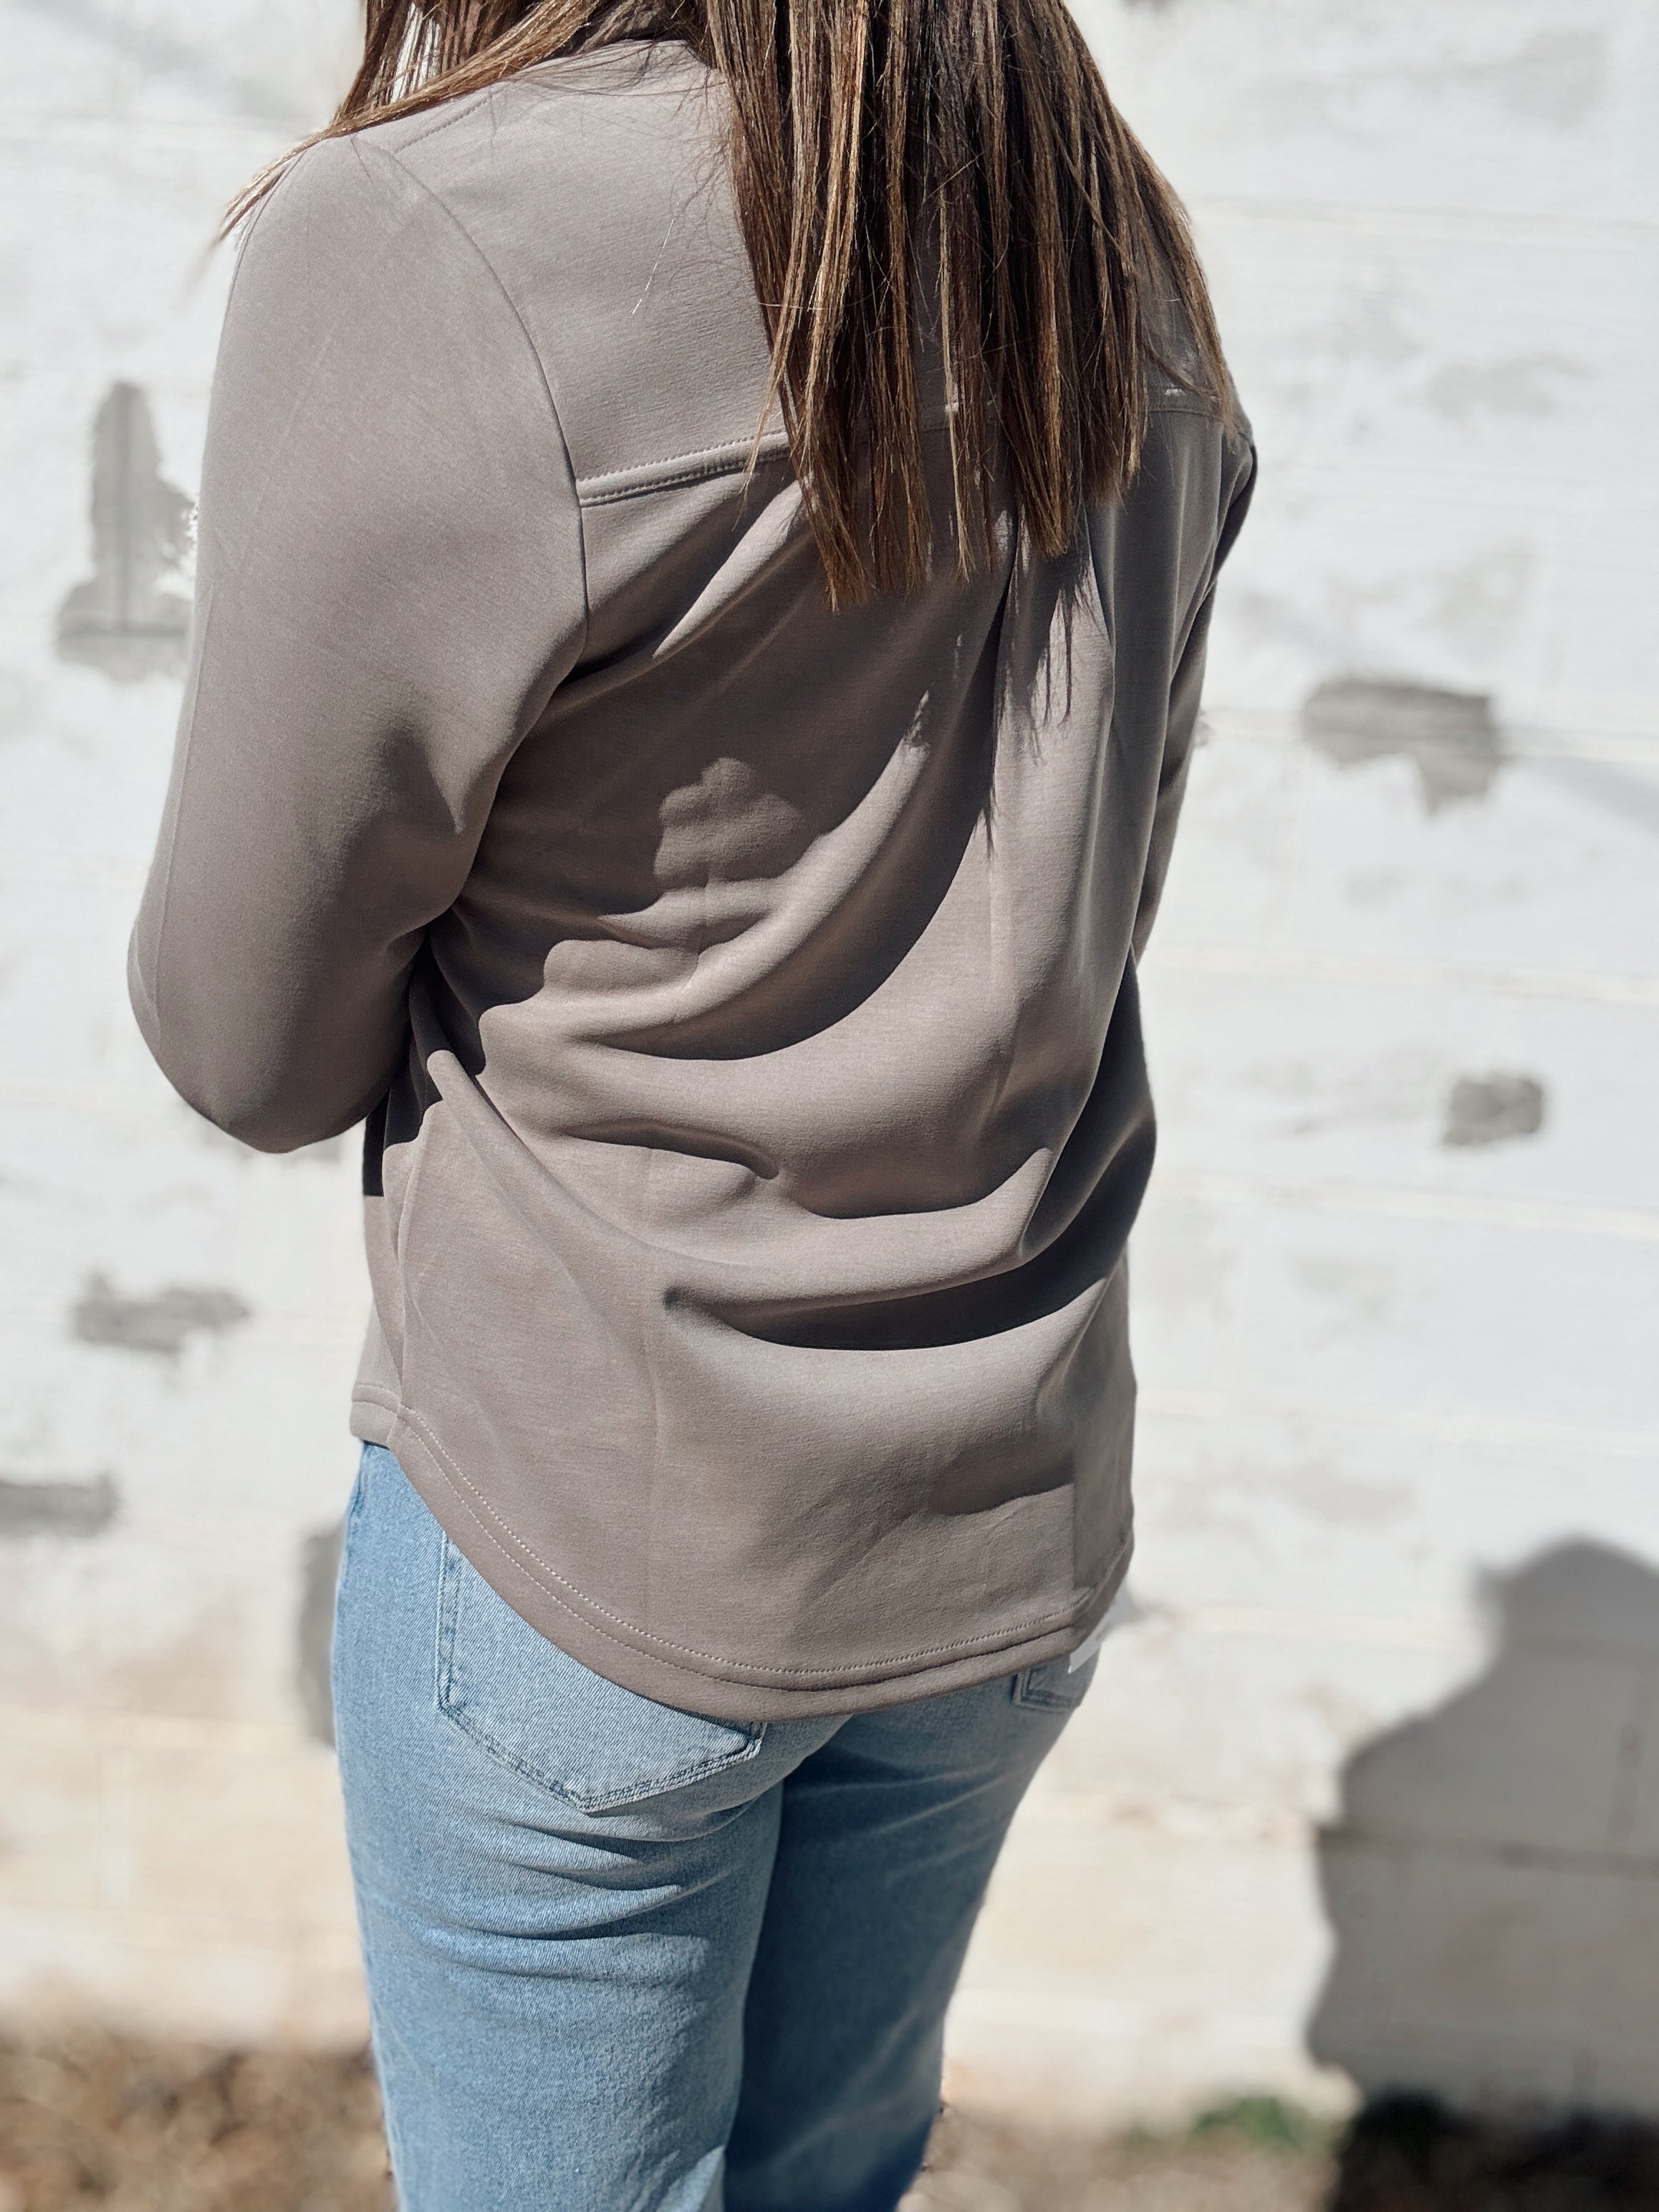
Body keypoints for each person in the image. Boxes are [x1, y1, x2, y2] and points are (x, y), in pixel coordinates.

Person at [130, 3, 1254, 2205]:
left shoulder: (438, 234)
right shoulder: (1085, 208)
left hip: (600, 1518)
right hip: (1005, 1508)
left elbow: (243, 1045)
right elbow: (1098, 893)